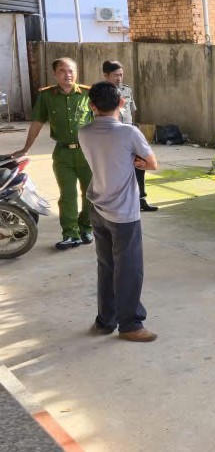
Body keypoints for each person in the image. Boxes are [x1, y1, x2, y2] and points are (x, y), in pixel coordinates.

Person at [80, 81, 159, 342]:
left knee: (106, 265)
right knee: (129, 268)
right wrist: (135, 160)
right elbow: (152, 163)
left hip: (97, 206)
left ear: (92, 106)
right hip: (124, 212)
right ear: (122, 103)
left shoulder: (85, 132)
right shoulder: (129, 132)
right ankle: (130, 324)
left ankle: (106, 320)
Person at [13, 57, 93, 250]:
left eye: (72, 70)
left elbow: (102, 121)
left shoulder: (88, 94)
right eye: (63, 71)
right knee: (67, 195)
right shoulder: (46, 96)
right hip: (63, 154)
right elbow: (37, 123)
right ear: (55, 74)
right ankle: (70, 234)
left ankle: (86, 228)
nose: (68, 74)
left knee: (90, 194)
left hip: (88, 153)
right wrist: (26, 148)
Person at [102, 60, 157, 212]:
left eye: (121, 75)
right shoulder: (100, 93)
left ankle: (141, 199)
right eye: (115, 75)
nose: (119, 78)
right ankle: (116, 202)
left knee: (140, 164)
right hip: (111, 136)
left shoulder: (127, 90)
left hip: (129, 133)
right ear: (106, 75)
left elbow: (132, 111)